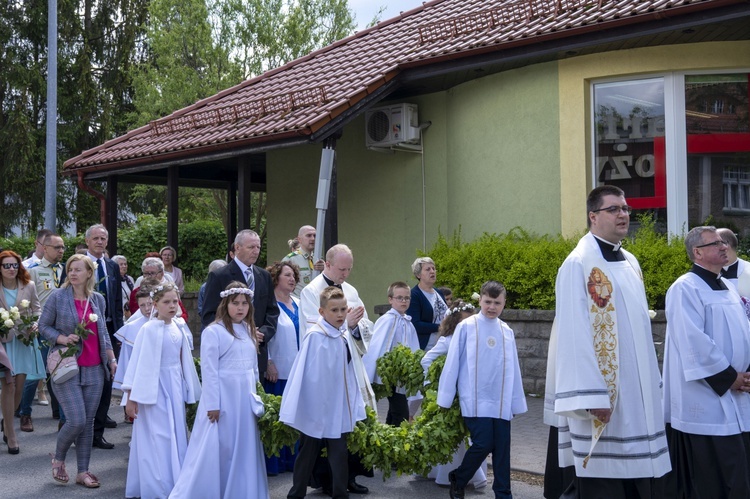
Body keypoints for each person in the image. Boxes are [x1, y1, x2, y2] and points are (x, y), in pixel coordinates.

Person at [544, 185, 670, 499]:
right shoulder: (577, 264)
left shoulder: (631, 262)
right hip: (606, 398)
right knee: (603, 482)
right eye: (613, 209)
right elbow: (573, 334)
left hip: (637, 397)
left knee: (637, 481)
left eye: (625, 208)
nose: (623, 214)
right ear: (593, 216)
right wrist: (591, 395)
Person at [662, 226, 750, 497]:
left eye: (723, 242)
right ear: (697, 252)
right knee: (715, 476)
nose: (723, 246)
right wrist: (728, 377)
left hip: (738, 393)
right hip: (707, 395)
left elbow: (743, 330)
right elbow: (693, 340)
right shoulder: (684, 288)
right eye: (715, 244)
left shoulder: (726, 286)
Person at [170, 282, 269, 498]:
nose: (240, 308)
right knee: (222, 446)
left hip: (245, 399)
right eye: (235, 303)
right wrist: (213, 404)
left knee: (243, 445)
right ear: (225, 304)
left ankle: (241, 489)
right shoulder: (214, 332)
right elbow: (210, 371)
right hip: (223, 399)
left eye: (244, 303)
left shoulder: (249, 330)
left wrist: (258, 396)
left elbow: (252, 369)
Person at [438, 281, 526, 499]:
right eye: (488, 302)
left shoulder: (506, 331)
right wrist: (445, 397)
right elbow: (453, 362)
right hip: (475, 397)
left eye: (497, 303)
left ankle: (503, 493)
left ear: (504, 303)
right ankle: (459, 478)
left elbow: (513, 367)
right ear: (481, 301)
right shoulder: (466, 327)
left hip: (501, 398)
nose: (492, 307)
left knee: (502, 448)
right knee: (484, 443)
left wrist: (515, 402)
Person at [299, 243, 375, 493]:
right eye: (342, 268)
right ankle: (325, 481)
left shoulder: (351, 290)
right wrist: (346, 325)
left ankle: (349, 477)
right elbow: (317, 329)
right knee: (319, 433)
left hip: (350, 364)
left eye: (349, 269)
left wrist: (355, 327)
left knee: (348, 425)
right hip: (325, 370)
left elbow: (365, 325)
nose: (346, 274)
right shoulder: (312, 291)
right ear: (328, 264)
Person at [39, 254, 118, 488]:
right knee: (76, 421)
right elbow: (43, 326)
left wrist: (111, 359)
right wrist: (62, 338)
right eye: (70, 269)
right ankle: (59, 458)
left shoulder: (98, 300)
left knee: (88, 422)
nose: (73, 273)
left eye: (78, 270)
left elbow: (102, 331)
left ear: (89, 274)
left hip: (95, 368)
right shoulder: (57, 297)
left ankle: (83, 471)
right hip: (67, 366)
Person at [280, 286, 367, 499]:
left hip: (338, 405)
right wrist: (310, 406)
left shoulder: (343, 334)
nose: (340, 315)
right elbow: (307, 374)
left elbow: (351, 363)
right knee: (308, 453)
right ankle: (296, 493)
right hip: (317, 406)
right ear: (321, 312)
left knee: (339, 453)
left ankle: (340, 494)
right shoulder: (315, 337)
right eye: (334, 310)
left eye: (343, 310)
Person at [122, 282, 201, 499]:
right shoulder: (148, 329)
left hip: (173, 385)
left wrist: (188, 387)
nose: (172, 305)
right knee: (158, 435)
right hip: (153, 389)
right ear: (155, 304)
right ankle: (157, 485)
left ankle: (175, 479)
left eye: (175, 301)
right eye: (166, 302)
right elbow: (136, 364)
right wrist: (131, 398)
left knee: (175, 431)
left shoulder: (178, 326)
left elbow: (183, 359)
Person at [421, 299, 487, 489]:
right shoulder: (447, 341)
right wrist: (438, 383)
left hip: (473, 395)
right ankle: (450, 474)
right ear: (455, 323)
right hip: (454, 397)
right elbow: (427, 360)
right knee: (456, 437)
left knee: (472, 436)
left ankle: (469, 472)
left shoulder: (477, 341)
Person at [201, 229, 279, 379]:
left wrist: (263, 333)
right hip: (230, 353)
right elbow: (209, 314)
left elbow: (272, 310)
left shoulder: (264, 276)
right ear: (237, 248)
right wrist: (241, 332)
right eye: (251, 247)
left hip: (258, 349)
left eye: (258, 247)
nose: (256, 251)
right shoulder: (219, 276)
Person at [19, 234, 66, 430]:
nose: (61, 251)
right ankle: (25, 413)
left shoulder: (65, 270)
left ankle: (63, 418)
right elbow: (26, 300)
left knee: (62, 372)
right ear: (44, 248)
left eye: (63, 247)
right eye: (57, 247)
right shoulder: (34, 272)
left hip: (62, 329)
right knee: (35, 373)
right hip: (41, 328)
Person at [84, 224, 124, 449]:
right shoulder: (78, 264)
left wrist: (118, 330)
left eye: (103, 238)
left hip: (108, 329)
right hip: (85, 331)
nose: (100, 242)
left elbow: (117, 301)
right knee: (83, 380)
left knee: (108, 379)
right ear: (88, 241)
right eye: (96, 238)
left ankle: (97, 432)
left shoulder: (111, 266)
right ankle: (74, 426)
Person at [0, 250, 42, 452]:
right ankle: (11, 433)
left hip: (23, 340)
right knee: (8, 385)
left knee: (19, 387)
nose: (11, 269)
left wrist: (35, 323)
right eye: (6, 265)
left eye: (14, 265)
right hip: (3, 343)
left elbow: (36, 309)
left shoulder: (29, 285)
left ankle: (7, 421)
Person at [362, 281, 420, 426]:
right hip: (390, 375)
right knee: (401, 412)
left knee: (395, 411)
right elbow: (377, 346)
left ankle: (390, 434)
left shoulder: (408, 323)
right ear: (390, 299)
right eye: (399, 297)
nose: (404, 301)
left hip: (402, 375)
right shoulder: (386, 320)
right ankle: (397, 436)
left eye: (407, 298)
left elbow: (413, 347)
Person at [263, 261, 301, 475]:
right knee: (277, 417)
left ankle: (293, 461)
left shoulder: (298, 302)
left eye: (293, 275)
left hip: (297, 369)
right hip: (278, 369)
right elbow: (262, 336)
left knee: (294, 416)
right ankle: (274, 463)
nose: (292, 279)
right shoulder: (269, 305)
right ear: (276, 278)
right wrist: (268, 362)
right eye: (287, 275)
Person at [113, 286, 153, 423]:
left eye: (150, 304)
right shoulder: (132, 328)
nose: (147, 309)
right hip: (140, 378)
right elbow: (126, 360)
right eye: (142, 305)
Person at [406, 257, 448, 351]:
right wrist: (440, 327)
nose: (432, 271)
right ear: (418, 275)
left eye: (433, 268)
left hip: (443, 344)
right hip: (426, 347)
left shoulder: (439, 293)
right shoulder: (415, 295)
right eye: (428, 269)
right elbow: (415, 324)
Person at [282, 225, 325, 297]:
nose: (313, 238)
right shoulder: (291, 259)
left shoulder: (317, 260)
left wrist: (325, 270)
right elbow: (280, 284)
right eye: (308, 235)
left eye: (315, 236)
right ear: (299, 239)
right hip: (298, 302)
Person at [111, 255, 135, 319]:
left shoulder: (130, 279)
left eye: (125, 264)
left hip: (130, 313)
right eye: (121, 264)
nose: (124, 266)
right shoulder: (112, 280)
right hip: (119, 313)